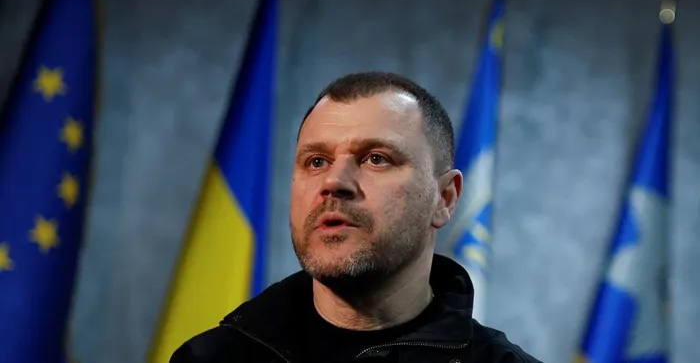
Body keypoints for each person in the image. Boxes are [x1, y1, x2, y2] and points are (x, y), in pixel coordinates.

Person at [171, 71, 542, 363]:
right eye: (316, 161)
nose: (333, 182)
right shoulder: (210, 358)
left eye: (376, 159)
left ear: (444, 199)